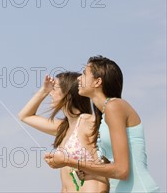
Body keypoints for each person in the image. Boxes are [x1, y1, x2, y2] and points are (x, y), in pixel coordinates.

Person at [44, 56, 160, 193]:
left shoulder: (115, 106)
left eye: (84, 74)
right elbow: (111, 167)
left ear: (98, 82)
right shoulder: (103, 115)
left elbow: (122, 171)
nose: (79, 78)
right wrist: (90, 172)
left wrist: (68, 161)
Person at [19, 72, 109, 192]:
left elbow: (108, 159)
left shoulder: (87, 121)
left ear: (67, 95)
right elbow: (24, 116)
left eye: (54, 89)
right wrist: (44, 90)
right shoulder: (63, 127)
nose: (51, 93)